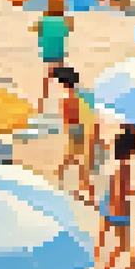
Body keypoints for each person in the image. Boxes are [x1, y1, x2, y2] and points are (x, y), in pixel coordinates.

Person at [97, 125, 135, 269]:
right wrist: (121, 209)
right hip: (118, 207)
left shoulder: (115, 165)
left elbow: (115, 187)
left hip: (107, 203)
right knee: (124, 245)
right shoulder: (125, 167)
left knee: (103, 242)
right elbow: (121, 191)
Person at [54, 66, 95, 203]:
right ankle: (84, 188)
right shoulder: (79, 97)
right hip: (81, 130)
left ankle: (63, 180)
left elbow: (67, 120)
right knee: (80, 161)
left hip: (75, 130)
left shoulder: (67, 100)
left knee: (72, 158)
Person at [32, 0, 72, 112]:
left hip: (47, 52)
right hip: (59, 53)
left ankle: (43, 101)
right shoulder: (63, 22)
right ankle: (66, 99)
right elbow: (68, 30)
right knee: (61, 76)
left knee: (48, 78)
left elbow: (35, 29)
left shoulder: (44, 21)